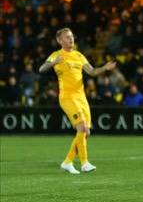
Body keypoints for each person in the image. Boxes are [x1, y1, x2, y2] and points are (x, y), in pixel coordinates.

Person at [38, 28, 116, 174]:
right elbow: (42, 69)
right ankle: (84, 163)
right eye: (67, 37)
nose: (71, 39)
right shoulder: (56, 55)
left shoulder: (79, 55)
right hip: (67, 96)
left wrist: (105, 68)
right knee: (82, 128)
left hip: (81, 97)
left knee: (86, 133)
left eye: (72, 36)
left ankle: (68, 162)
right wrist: (53, 63)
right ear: (59, 40)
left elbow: (91, 71)